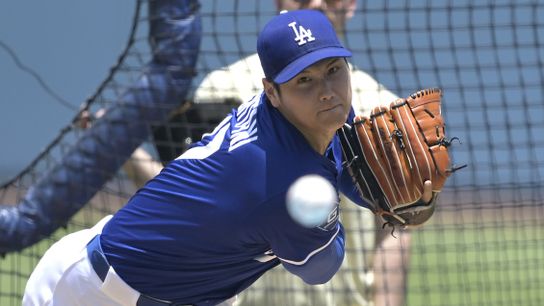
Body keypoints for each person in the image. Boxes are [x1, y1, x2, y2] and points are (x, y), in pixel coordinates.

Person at [23, 9, 431, 306]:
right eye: (304, 80)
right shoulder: (277, 182)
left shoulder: (308, 116)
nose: (326, 91)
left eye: (333, 70)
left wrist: (394, 204)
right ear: (272, 91)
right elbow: (319, 269)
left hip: (176, 286)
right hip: (92, 294)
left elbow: (340, 162)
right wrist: (363, 204)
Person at [193, 1, 412, 305]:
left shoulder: (381, 107)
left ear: (350, 4)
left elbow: (394, 229)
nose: (317, 1)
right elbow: (197, 210)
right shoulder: (222, 89)